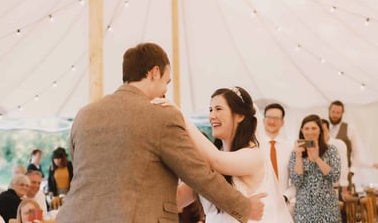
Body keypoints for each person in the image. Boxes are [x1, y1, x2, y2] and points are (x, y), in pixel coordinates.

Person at [56, 42, 265, 223]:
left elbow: (83, 171)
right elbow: (198, 174)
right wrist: (244, 207)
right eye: (167, 81)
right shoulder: (160, 116)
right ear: (154, 72)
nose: (166, 91)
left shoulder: (84, 116)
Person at [156, 87, 293, 222]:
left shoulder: (253, 156)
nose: (211, 116)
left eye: (218, 109)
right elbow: (178, 198)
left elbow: (217, 161)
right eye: (210, 110)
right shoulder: (209, 162)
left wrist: (183, 120)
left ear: (240, 116)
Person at [289, 114, 341, 223]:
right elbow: (296, 181)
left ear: (320, 131)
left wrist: (317, 158)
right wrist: (299, 156)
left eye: (314, 128)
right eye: (306, 128)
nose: (310, 132)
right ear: (302, 130)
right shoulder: (296, 152)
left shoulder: (331, 150)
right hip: (304, 209)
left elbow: (335, 176)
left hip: (327, 207)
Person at [262, 103, 295, 210]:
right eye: (269, 117)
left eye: (276, 118)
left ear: (282, 122)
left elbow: (296, 180)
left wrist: (286, 196)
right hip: (260, 205)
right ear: (263, 120)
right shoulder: (254, 146)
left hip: (283, 206)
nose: (272, 121)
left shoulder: (291, 148)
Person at [328, 100, 378, 170]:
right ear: (329, 111)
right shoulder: (321, 128)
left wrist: (352, 171)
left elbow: (356, 153)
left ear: (342, 113)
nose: (335, 115)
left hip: (344, 172)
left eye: (338, 112)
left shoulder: (350, 129)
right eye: (333, 112)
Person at [321, 118, 349, 222]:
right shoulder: (313, 145)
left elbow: (344, 166)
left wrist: (344, 190)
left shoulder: (339, 144)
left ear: (328, 130)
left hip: (333, 188)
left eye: (323, 130)